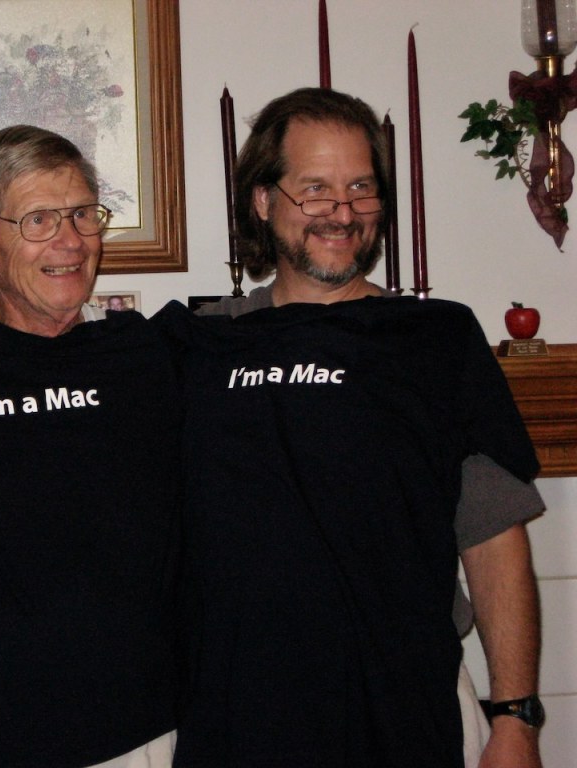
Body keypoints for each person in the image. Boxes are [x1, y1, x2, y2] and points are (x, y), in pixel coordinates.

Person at [158, 87, 544, 768]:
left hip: (401, 709)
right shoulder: (194, 345)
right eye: (315, 190)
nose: (342, 213)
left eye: (361, 188)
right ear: (262, 199)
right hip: (233, 715)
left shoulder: (437, 337)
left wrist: (514, 718)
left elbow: (493, 537)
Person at [0, 125, 181, 768]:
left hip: (143, 732)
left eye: (81, 215)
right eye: (39, 219)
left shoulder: (151, 356)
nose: (70, 241)